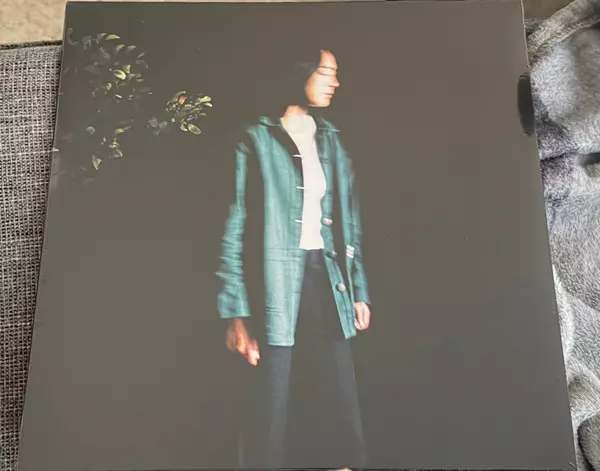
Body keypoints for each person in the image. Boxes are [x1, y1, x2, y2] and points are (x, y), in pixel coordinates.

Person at [216, 48, 371, 469]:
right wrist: (236, 314)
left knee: (337, 393)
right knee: (270, 397)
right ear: (298, 71)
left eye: (335, 73)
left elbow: (349, 218)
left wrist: (357, 289)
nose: (335, 82)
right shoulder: (254, 138)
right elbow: (233, 225)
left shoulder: (332, 138)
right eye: (325, 72)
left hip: (328, 279)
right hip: (273, 283)